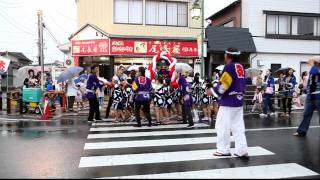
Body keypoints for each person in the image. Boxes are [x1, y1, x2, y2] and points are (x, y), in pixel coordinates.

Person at [210, 48, 248, 158]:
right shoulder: (240, 66)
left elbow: (225, 83)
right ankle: (242, 150)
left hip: (229, 100)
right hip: (238, 99)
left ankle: (223, 149)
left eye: (225, 54)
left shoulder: (229, 67)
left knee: (222, 125)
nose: (224, 56)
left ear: (228, 55)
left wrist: (213, 91)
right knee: (238, 126)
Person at [294, 56, 320, 136]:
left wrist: (313, 63)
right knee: (306, 114)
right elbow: (310, 83)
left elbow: (315, 72)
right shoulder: (312, 71)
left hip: (318, 95)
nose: (312, 64)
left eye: (314, 63)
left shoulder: (315, 70)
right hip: (310, 96)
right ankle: (302, 131)